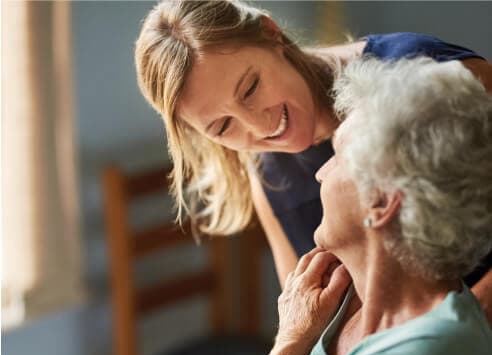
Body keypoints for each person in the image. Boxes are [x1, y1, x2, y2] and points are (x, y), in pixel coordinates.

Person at [171, 56, 492, 355]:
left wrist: (286, 346)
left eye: (338, 155)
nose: (319, 171)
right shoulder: (332, 309)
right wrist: (294, 338)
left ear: (382, 202)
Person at [134, 0, 492, 323]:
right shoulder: (268, 176)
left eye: (250, 88)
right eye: (223, 125)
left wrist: (460, 330)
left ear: (270, 34)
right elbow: (307, 321)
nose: (261, 127)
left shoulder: (430, 73)